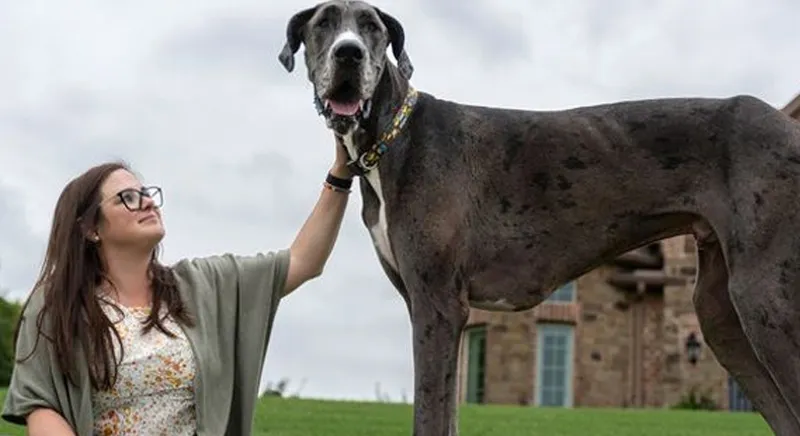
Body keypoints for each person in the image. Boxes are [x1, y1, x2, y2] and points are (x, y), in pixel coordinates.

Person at [1, 137, 355, 435]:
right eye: (128, 197)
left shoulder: (203, 286)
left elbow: (303, 261)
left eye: (147, 193)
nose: (149, 202)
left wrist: (340, 173)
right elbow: (41, 405)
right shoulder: (55, 305)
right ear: (90, 228)